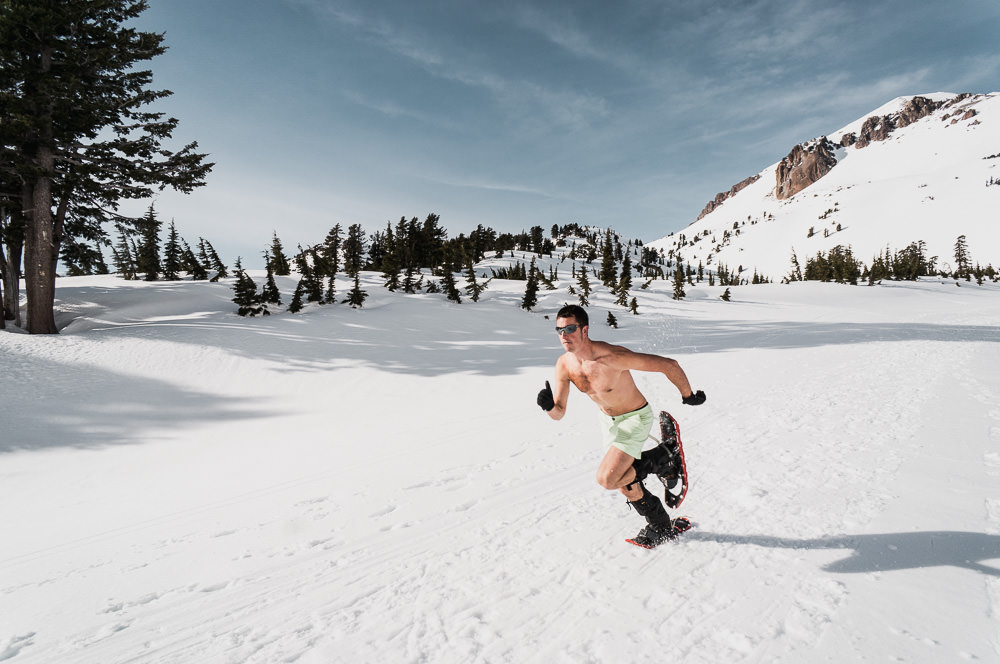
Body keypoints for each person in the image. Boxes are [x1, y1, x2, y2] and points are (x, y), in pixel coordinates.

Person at [536, 304, 706, 547]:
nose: (564, 335)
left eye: (570, 329)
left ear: (584, 330)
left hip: (635, 417)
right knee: (625, 482)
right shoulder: (564, 365)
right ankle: (660, 524)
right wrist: (548, 407)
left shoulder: (612, 357)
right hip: (608, 422)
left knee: (607, 478)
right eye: (559, 330)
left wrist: (688, 395)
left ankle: (662, 457)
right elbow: (559, 413)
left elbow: (669, 364)